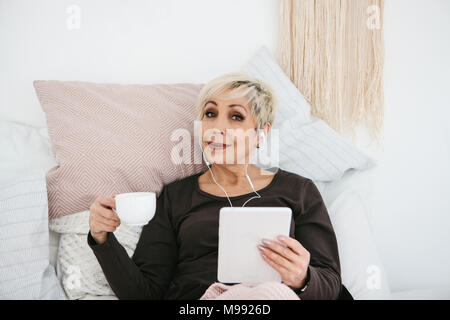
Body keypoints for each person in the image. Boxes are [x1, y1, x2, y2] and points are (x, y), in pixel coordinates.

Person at [87, 72, 350, 300]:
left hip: (274, 296)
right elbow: (143, 294)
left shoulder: (299, 192)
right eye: (210, 114)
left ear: (262, 133)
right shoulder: (175, 197)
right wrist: (102, 238)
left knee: (273, 294)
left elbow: (330, 285)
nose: (217, 127)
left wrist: (302, 279)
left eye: (236, 117)